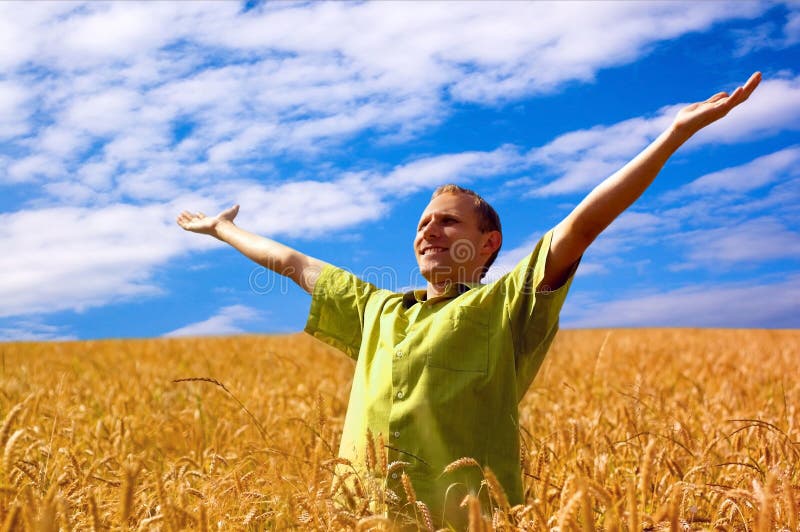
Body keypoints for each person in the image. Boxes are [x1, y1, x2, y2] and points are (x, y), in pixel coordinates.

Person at [177, 72, 761, 526]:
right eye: (423, 222)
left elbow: (582, 226)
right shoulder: (375, 310)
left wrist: (674, 134)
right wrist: (222, 228)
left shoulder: (506, 306)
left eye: (448, 223)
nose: (429, 229)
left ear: (489, 244)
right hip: (360, 521)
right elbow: (292, 262)